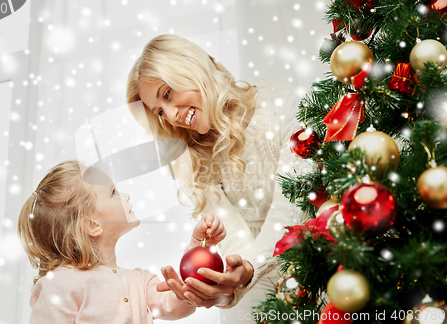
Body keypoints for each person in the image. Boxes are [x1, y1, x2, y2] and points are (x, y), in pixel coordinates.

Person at [126, 34, 310, 320]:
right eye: (160, 111)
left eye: (167, 94)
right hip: (268, 273)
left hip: (319, 250)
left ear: (193, 67)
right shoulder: (192, 154)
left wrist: (249, 267)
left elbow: (294, 203)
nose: (172, 115)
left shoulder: (278, 103)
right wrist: (231, 280)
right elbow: (236, 242)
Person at [17, 160, 228, 323]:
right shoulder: (60, 286)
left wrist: (200, 247)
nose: (125, 195)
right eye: (113, 193)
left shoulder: (140, 282)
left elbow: (176, 303)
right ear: (92, 225)